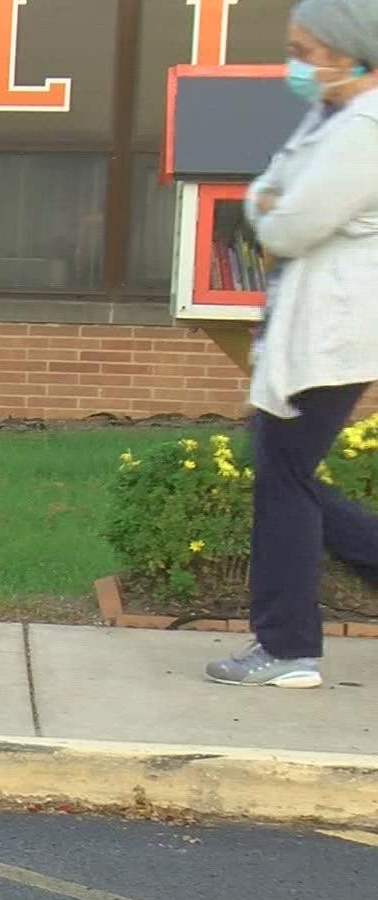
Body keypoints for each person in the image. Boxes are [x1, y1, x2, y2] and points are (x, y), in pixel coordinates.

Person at [205, 0, 378, 688]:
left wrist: (274, 208)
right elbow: (263, 195)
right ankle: (286, 644)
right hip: (305, 332)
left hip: (330, 337)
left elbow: (287, 225)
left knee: (285, 482)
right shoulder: (330, 117)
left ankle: (287, 648)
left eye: (307, 51)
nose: (297, 65)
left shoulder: (366, 129)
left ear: (348, 52)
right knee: (285, 474)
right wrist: (271, 205)